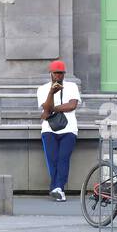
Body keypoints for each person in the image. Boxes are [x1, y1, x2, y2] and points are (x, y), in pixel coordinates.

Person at [38, 59, 80, 202]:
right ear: (50, 74)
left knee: (63, 159)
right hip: (49, 129)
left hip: (69, 129)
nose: (58, 76)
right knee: (52, 160)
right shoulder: (43, 89)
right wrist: (51, 93)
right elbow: (45, 107)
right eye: (56, 73)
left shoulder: (72, 86)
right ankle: (57, 188)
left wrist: (52, 110)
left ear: (64, 74)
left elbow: (72, 105)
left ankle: (57, 188)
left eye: (61, 73)